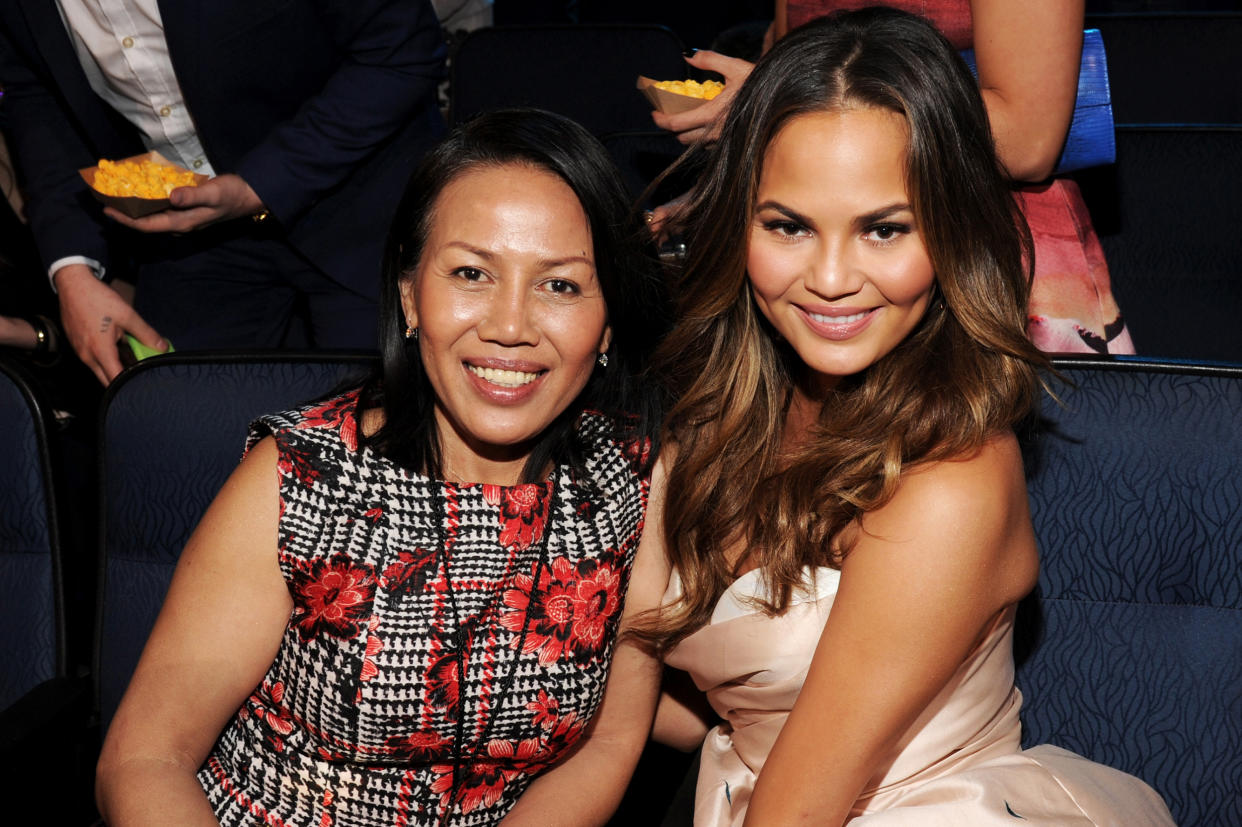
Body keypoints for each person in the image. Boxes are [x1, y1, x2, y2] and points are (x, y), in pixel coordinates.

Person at [640, 10, 1174, 825]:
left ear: (951, 233)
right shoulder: (714, 422)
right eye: (788, 225)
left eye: (884, 229)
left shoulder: (950, 484)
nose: (830, 278)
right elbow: (709, 702)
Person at [95, 109, 672, 826]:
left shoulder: (634, 481)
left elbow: (610, 737)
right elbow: (146, 757)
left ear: (608, 318)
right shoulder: (300, 478)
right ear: (409, 295)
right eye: (471, 273)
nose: (510, 325)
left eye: (560, 285)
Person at [0, 0, 447, 386]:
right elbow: (38, 101)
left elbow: (402, 51)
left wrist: (260, 184)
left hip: (362, 203)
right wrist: (72, 273)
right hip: (185, 239)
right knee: (174, 435)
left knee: (377, 446)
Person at [650, 0, 1134, 356]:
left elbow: (1030, 141)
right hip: (820, 235)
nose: (831, 281)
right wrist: (744, 190)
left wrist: (766, 101)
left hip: (977, 240)